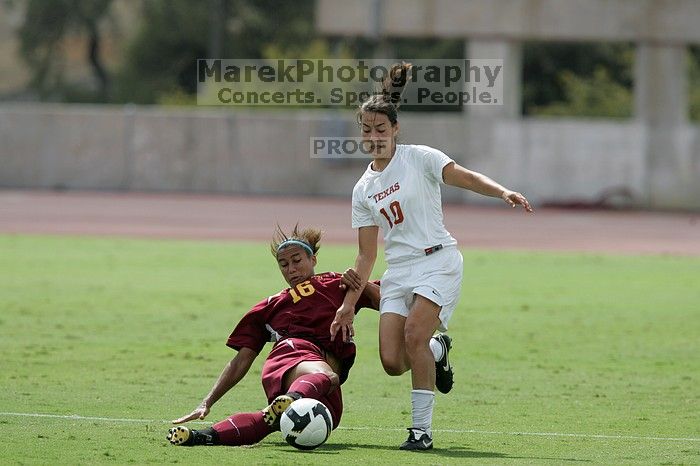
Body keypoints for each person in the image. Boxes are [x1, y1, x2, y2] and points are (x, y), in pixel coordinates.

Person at [330, 62, 533, 451]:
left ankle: (420, 432)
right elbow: (365, 255)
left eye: (381, 130)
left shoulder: (419, 158)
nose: (374, 137)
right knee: (392, 361)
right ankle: (437, 349)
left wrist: (502, 191)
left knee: (414, 335)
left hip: (438, 261)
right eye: (367, 131)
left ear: (395, 130)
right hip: (399, 271)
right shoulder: (363, 188)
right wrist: (347, 304)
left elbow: (466, 176)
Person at [167, 225, 379, 447]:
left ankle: (200, 436)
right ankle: (292, 398)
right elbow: (241, 360)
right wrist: (207, 401)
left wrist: (362, 283)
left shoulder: (337, 283)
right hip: (290, 355)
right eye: (284, 264)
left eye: (297, 260)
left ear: (313, 260)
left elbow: (392, 304)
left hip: (318, 379)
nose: (291, 269)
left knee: (313, 419)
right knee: (328, 376)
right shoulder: (271, 305)